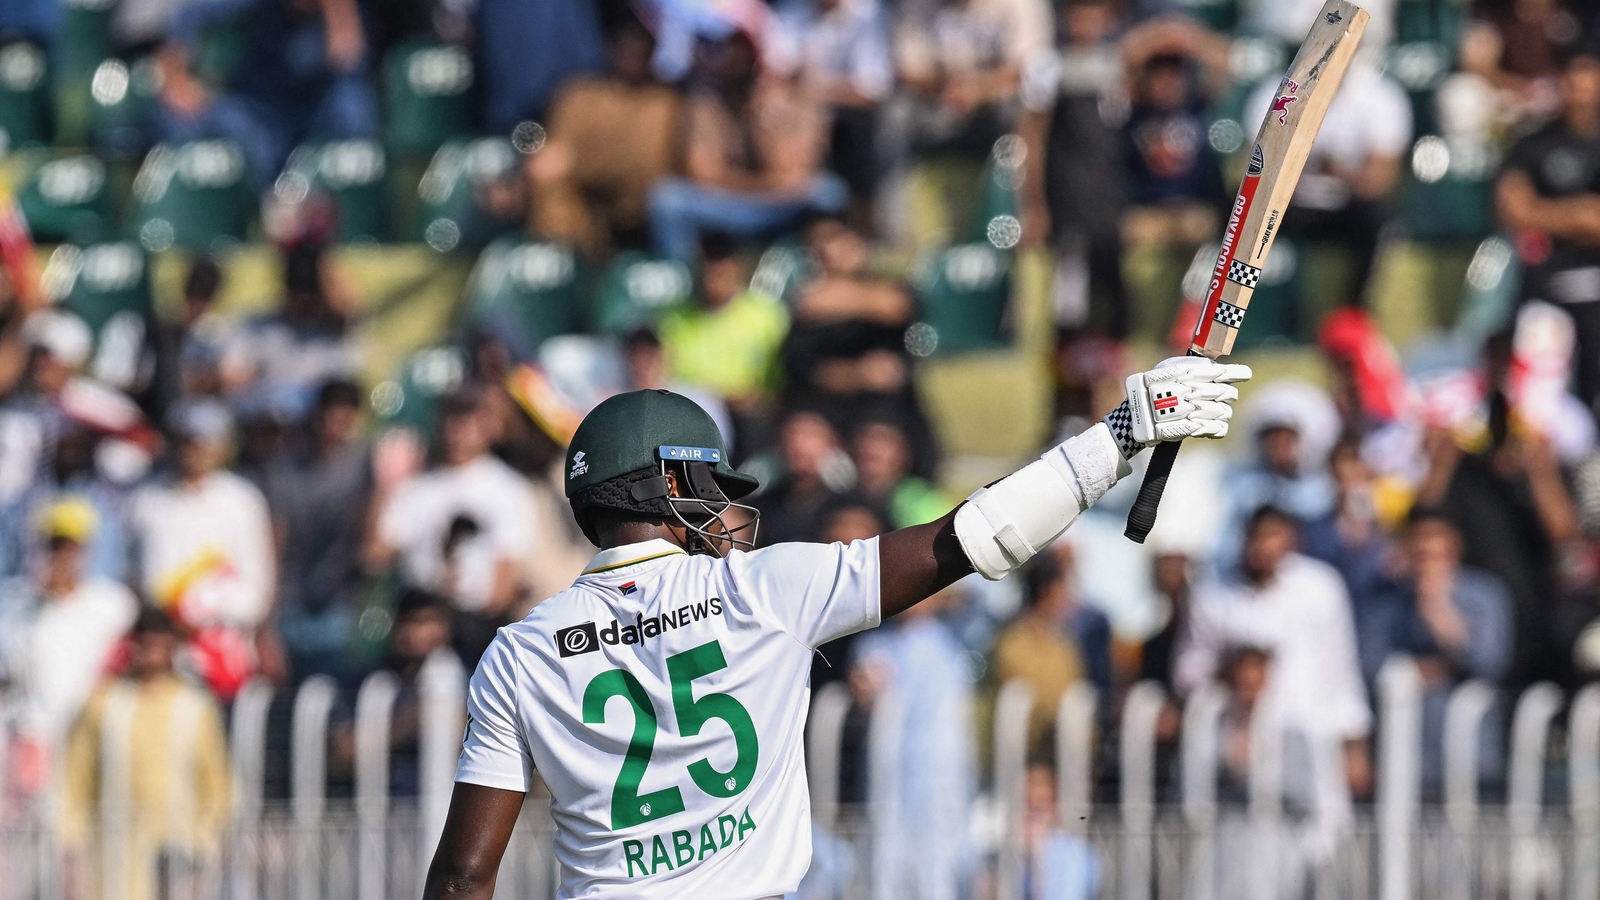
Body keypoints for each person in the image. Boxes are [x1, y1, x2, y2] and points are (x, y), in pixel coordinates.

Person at [421, 350, 1249, 898]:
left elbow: (462, 877)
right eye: (710, 490)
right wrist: (1120, 435)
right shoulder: (767, 588)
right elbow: (976, 535)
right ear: (667, 492)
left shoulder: (518, 652)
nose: (730, 511)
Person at [1179, 506, 1374, 799]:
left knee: (1314, 833)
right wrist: (1234, 675)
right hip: (1242, 744)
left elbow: (1341, 668)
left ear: (1293, 540)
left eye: (1273, 536)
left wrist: (1354, 745)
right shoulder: (1214, 596)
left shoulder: (1320, 587)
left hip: (1309, 736)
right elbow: (1189, 672)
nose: (1263, 546)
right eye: (1257, 537)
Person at [60, 606, 231, 900]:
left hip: (177, 860)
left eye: (160, 641)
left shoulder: (195, 707)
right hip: (112, 862)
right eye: (145, 640)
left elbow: (217, 787)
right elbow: (75, 777)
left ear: (173, 645)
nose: (152, 650)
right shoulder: (103, 703)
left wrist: (205, 849)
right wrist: (71, 849)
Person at [369, 385, 538, 667]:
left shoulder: (508, 488)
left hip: (477, 630)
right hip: (418, 627)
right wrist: (386, 483)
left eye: (469, 417)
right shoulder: (417, 487)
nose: (460, 427)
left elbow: (505, 582)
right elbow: (375, 555)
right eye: (453, 416)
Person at [649, 32, 848, 262]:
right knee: (668, 200)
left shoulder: (799, 97)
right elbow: (702, 174)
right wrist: (766, 186)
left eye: (747, 52)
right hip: (733, 204)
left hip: (784, 207)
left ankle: (815, 280)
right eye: (729, 50)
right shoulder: (706, 100)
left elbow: (793, 172)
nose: (738, 61)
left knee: (829, 193)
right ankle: (682, 284)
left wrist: (764, 116)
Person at [128, 398, 276, 698]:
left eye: (203, 441)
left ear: (221, 447)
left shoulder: (242, 502)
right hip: (160, 653)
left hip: (223, 653)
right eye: (186, 441)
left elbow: (257, 587)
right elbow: (131, 576)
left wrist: (201, 614)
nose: (193, 450)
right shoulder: (145, 502)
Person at [1359, 508, 1513, 797]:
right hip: (1405, 757)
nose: (1428, 564)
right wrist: (1431, 669)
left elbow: (1489, 663)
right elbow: (1371, 667)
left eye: (1436, 555)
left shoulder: (1485, 595)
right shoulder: (1388, 601)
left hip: (1472, 756)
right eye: (1421, 554)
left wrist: (1439, 611)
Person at [154, 0, 380, 190]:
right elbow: (185, 24)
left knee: (353, 105)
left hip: (313, 108)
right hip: (258, 109)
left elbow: (349, 58)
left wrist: (339, 11)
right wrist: (179, 80)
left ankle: (355, 215)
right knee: (245, 133)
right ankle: (263, 216)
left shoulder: (337, 7)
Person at [0, 499, 138, 795]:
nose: (61, 556)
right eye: (53, 545)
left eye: (70, 546)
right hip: (31, 739)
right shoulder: (14, 603)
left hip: (91, 739)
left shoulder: (113, 605)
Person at [1497, 42, 1600, 406]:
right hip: (1545, 281)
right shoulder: (1532, 143)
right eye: (1572, 74)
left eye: (1589, 74)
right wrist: (1580, 213)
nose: (1580, 85)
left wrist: (1546, 211)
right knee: (1533, 372)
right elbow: (1513, 211)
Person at [530, 19, 684, 256]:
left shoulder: (670, 102)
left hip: (644, 209)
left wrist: (585, 164)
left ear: (654, 47)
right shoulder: (579, 95)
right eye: (624, 41)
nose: (632, 48)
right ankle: (563, 276)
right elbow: (554, 162)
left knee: (668, 200)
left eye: (641, 42)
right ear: (609, 45)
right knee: (550, 187)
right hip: (587, 207)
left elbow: (654, 168)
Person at [264, 378, 373, 683]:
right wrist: (268, 625)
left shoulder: (364, 464)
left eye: (346, 418)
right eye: (332, 416)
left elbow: (369, 545)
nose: (337, 427)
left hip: (340, 606)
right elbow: (275, 546)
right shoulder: (284, 470)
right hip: (290, 605)